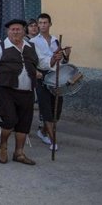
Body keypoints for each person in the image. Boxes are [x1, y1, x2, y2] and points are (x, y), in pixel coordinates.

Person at [0, 19, 58, 165]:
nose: (16, 32)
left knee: (24, 123)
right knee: (10, 120)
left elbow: (43, 62)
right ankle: (3, 146)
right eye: (13, 29)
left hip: (28, 91)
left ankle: (19, 153)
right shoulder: (0, 47)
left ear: (24, 31)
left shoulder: (31, 46)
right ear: (7, 32)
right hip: (7, 90)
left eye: (18, 29)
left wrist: (54, 58)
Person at [31, 13, 70, 150]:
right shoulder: (34, 42)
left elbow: (63, 62)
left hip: (56, 76)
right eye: (40, 23)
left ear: (50, 24)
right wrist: (53, 59)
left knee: (57, 108)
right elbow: (38, 61)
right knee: (46, 108)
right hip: (42, 76)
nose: (42, 25)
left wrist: (65, 56)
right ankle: (53, 141)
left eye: (45, 23)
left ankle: (43, 132)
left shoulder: (55, 41)